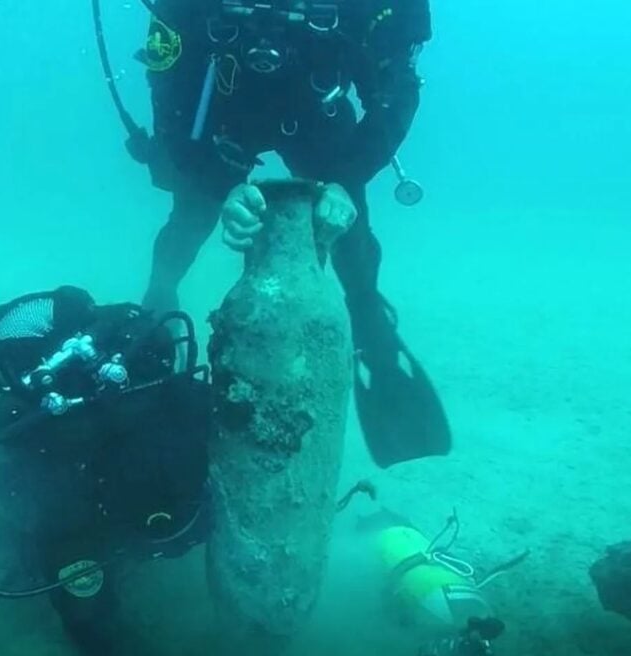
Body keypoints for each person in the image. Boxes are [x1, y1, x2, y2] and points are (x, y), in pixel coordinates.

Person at [127, 0, 450, 467]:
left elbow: (396, 92)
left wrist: (346, 176)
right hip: (220, 113)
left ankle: (371, 325)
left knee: (350, 229)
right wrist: (222, 186)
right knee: (190, 219)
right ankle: (157, 309)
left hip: (317, 110)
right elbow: (170, 103)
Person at [0, 285, 211, 656]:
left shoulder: (149, 401)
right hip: (70, 481)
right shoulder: (50, 431)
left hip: (92, 475)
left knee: (77, 586)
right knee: (77, 591)